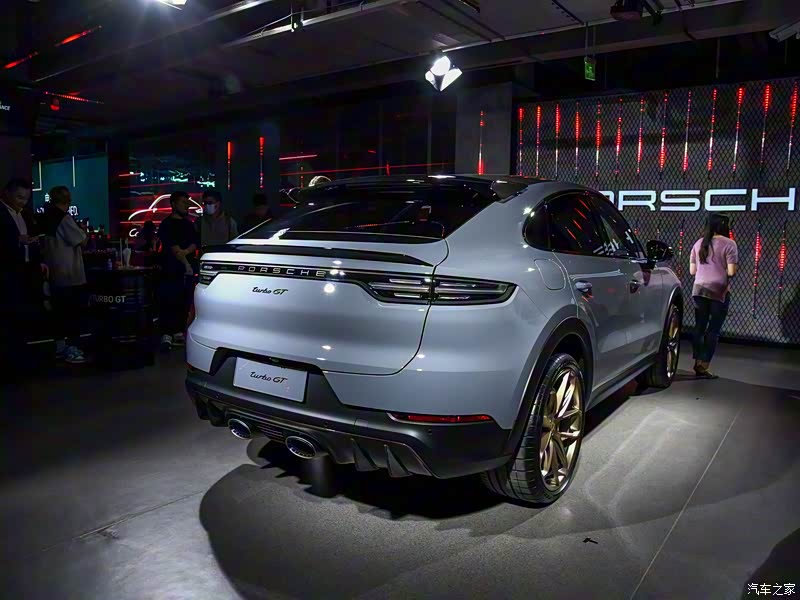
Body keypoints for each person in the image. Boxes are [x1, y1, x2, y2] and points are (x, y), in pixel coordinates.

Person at [0, 178, 46, 375]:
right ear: (7, 193)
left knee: (23, 318)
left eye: (26, 198)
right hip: (7, 274)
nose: (23, 202)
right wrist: (16, 241)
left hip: (26, 272)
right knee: (8, 319)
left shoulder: (25, 214)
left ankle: (22, 360)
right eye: (19, 197)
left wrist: (38, 259)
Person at [41, 186, 88, 364]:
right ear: (68, 200)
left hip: (53, 272)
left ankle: (60, 347)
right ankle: (72, 349)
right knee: (72, 314)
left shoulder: (45, 217)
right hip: (70, 273)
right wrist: (83, 230)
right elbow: (81, 240)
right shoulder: (64, 218)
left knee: (59, 314)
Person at [689, 213, 738, 379]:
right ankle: (704, 365)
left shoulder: (698, 243)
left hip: (699, 289)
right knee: (713, 329)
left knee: (699, 326)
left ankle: (697, 362)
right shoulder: (729, 244)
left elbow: (692, 271)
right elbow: (731, 272)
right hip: (719, 290)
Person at [157, 191, 199, 351]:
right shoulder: (166, 224)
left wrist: (185, 253)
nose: (186, 206)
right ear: (173, 204)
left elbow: (195, 243)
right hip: (171, 270)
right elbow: (172, 247)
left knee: (184, 300)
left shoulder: (189, 224)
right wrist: (185, 260)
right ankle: (167, 333)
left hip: (187, 271)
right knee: (169, 300)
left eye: (187, 203)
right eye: (183, 202)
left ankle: (178, 331)